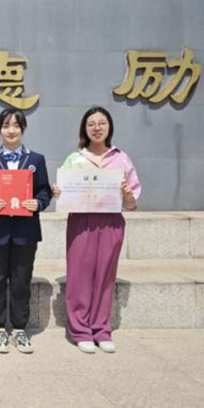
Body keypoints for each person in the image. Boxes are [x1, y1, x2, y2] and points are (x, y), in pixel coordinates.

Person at [52, 106, 141, 354]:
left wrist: (126, 193)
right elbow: (64, 193)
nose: (97, 128)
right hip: (81, 222)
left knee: (105, 275)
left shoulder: (121, 158)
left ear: (110, 127)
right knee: (79, 275)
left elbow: (131, 203)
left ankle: (101, 329)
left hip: (111, 222)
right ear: (85, 129)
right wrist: (58, 191)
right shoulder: (75, 159)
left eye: (102, 123)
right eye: (91, 124)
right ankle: (81, 331)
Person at [0, 109, 52, 354]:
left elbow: (44, 191)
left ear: (23, 129)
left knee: (21, 281)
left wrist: (38, 203)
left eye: (16, 126)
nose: (11, 130)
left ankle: (19, 329)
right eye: (6, 125)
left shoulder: (36, 160)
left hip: (25, 231)